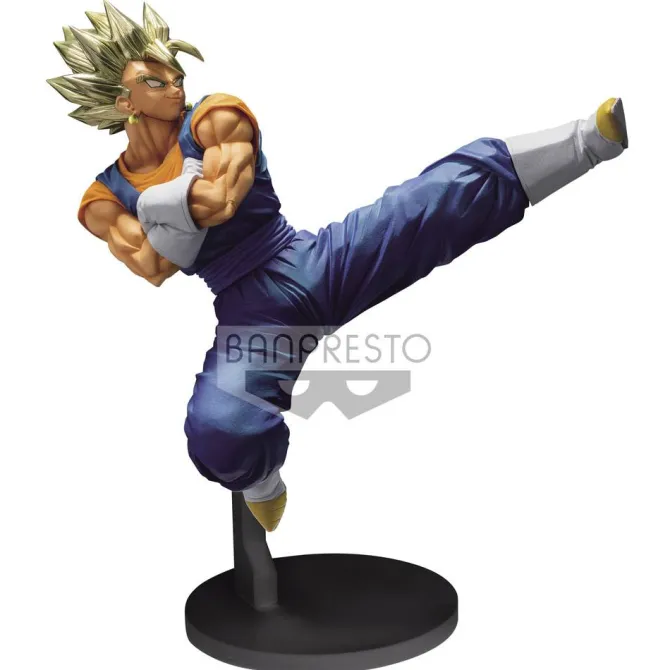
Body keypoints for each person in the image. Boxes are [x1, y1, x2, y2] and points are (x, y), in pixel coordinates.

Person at [49, 1, 629, 532]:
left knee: (429, 204)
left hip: (309, 259)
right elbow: (152, 266)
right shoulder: (103, 196)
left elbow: (222, 199)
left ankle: (588, 141)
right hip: (250, 315)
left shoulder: (214, 116)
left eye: (175, 72)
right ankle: (263, 484)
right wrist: (170, 201)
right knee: (218, 430)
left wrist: (160, 207)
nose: (176, 85)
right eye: (155, 81)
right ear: (124, 103)